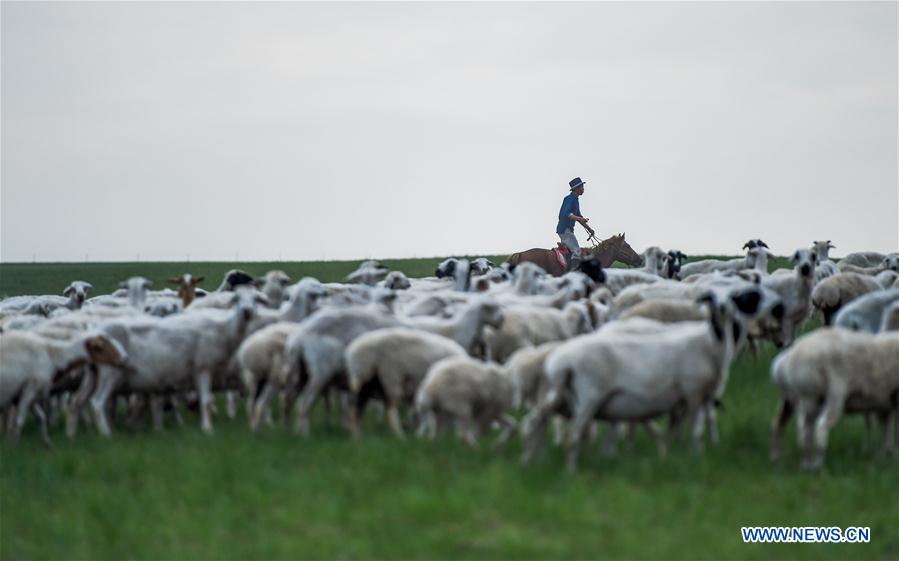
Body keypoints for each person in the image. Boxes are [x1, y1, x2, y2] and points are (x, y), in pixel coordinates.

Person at [556, 176, 594, 271]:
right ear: (576, 189)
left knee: (573, 251)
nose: (583, 189)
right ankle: (573, 272)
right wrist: (580, 219)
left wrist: (590, 229)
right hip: (564, 229)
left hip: (567, 230)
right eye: (581, 187)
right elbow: (566, 214)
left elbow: (579, 217)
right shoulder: (570, 199)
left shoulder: (575, 200)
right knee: (577, 251)